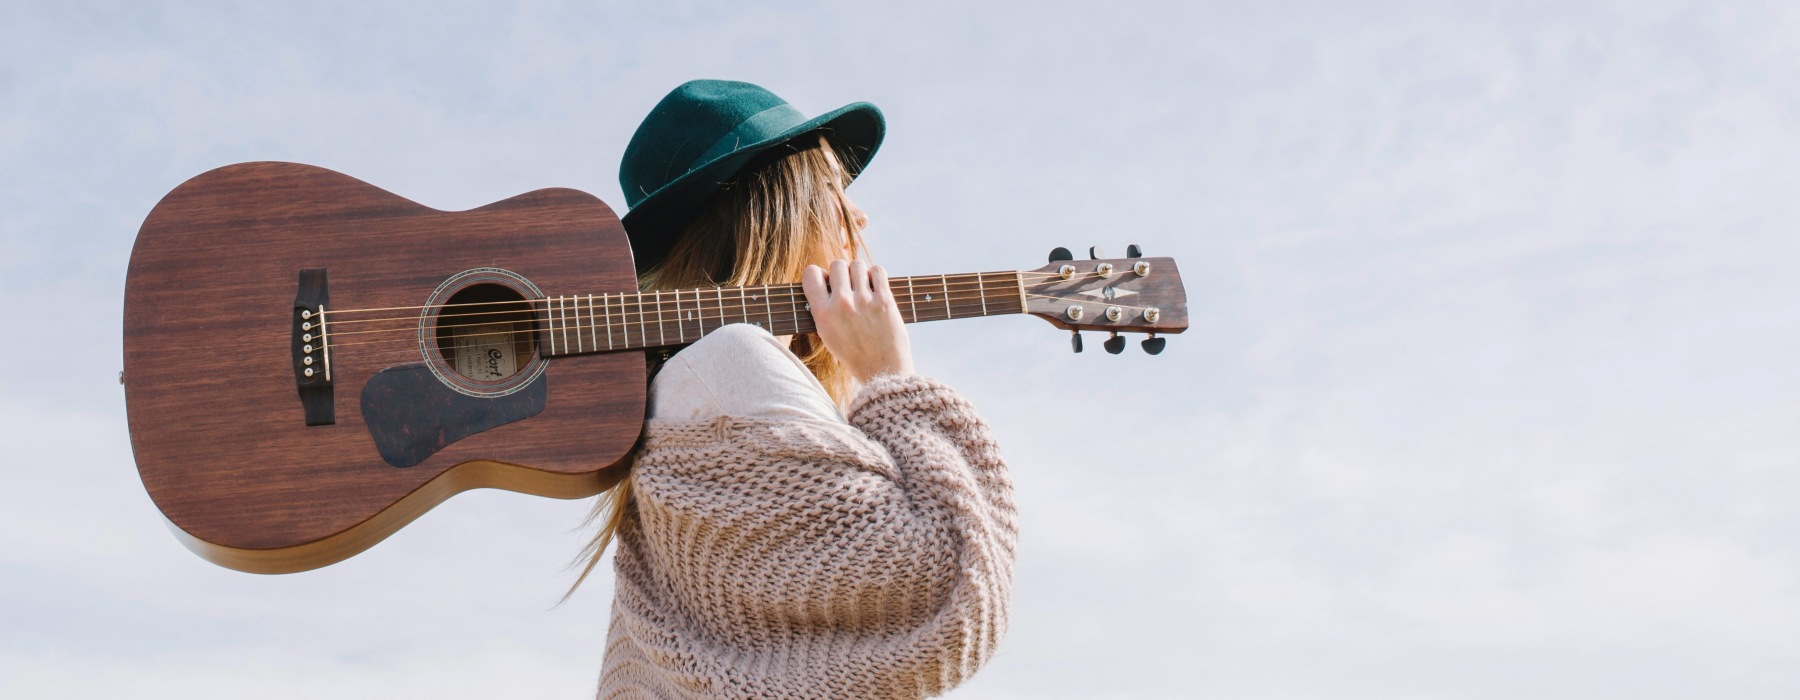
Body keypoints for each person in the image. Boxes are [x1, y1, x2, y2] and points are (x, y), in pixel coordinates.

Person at [569, 80, 1017, 699]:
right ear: (776, 207)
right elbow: (937, 583)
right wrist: (889, 374)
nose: (858, 214)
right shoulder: (730, 365)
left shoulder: (694, 386)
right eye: (833, 188)